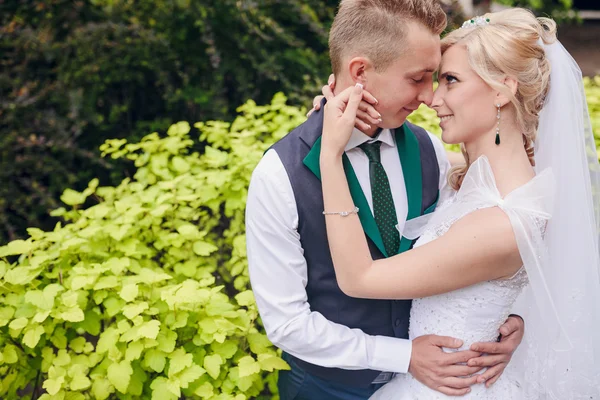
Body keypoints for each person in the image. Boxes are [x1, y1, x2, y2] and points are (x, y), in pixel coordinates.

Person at [246, 1, 524, 399]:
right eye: (418, 78)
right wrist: (404, 355)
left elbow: (498, 236)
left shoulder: (430, 149)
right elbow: (287, 324)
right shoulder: (279, 175)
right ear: (360, 72)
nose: (428, 97)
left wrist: (509, 317)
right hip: (327, 389)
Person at [319, 7, 600, 399]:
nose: (433, 98)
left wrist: (329, 154)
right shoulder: (482, 177)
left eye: (450, 80)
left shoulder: (503, 221)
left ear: (502, 90)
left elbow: (359, 278)